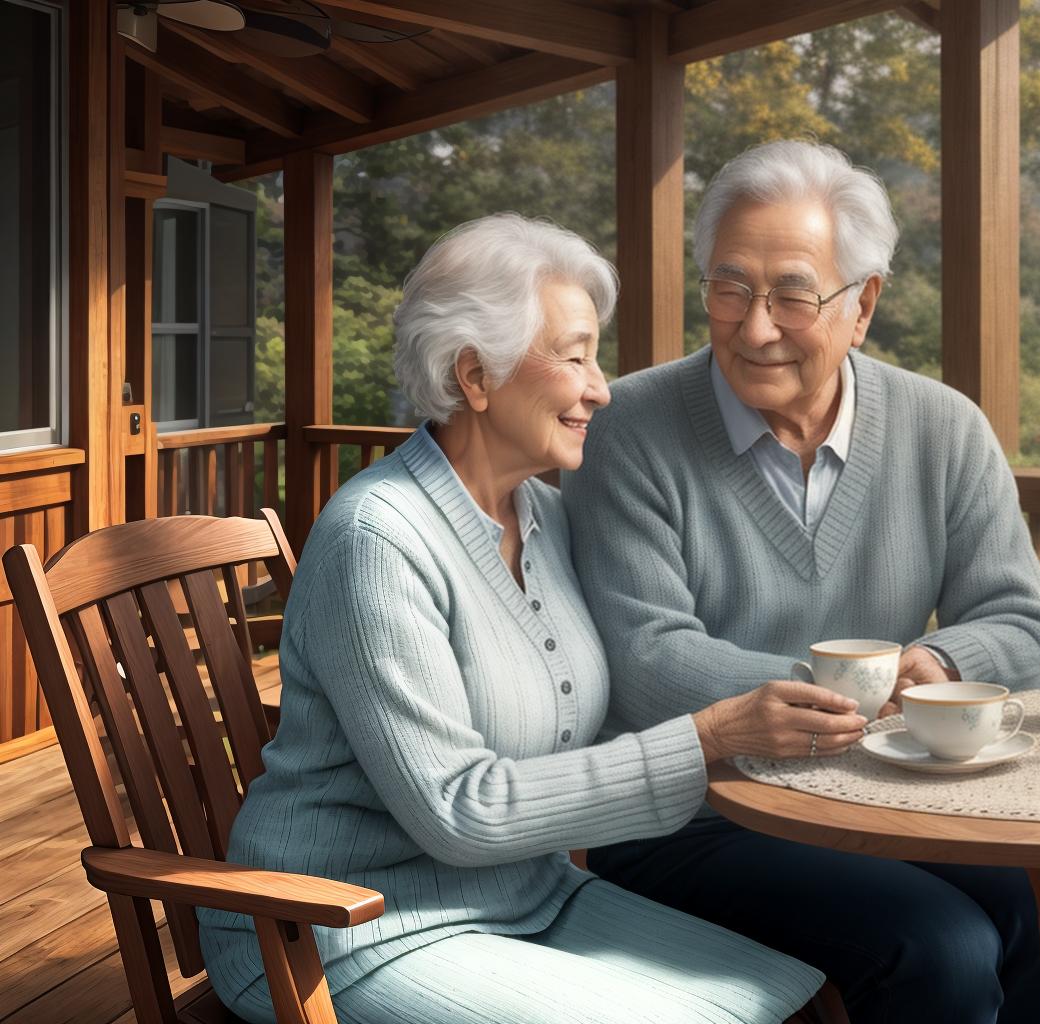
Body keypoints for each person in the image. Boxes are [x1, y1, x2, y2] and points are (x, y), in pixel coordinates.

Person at [198, 213, 866, 1024]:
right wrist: (711, 736)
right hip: (340, 929)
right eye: (575, 356)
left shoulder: (546, 517)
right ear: (475, 376)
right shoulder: (376, 539)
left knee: (806, 995)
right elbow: (459, 810)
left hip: (530, 893)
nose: (601, 388)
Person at [563, 141, 1040, 1024]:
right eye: (730, 290)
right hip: (695, 816)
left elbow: (1025, 622)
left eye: (793, 294)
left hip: (892, 797)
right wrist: (856, 699)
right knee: (943, 947)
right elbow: (646, 656)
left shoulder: (943, 427)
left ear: (863, 305)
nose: (755, 325)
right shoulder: (631, 430)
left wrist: (943, 664)